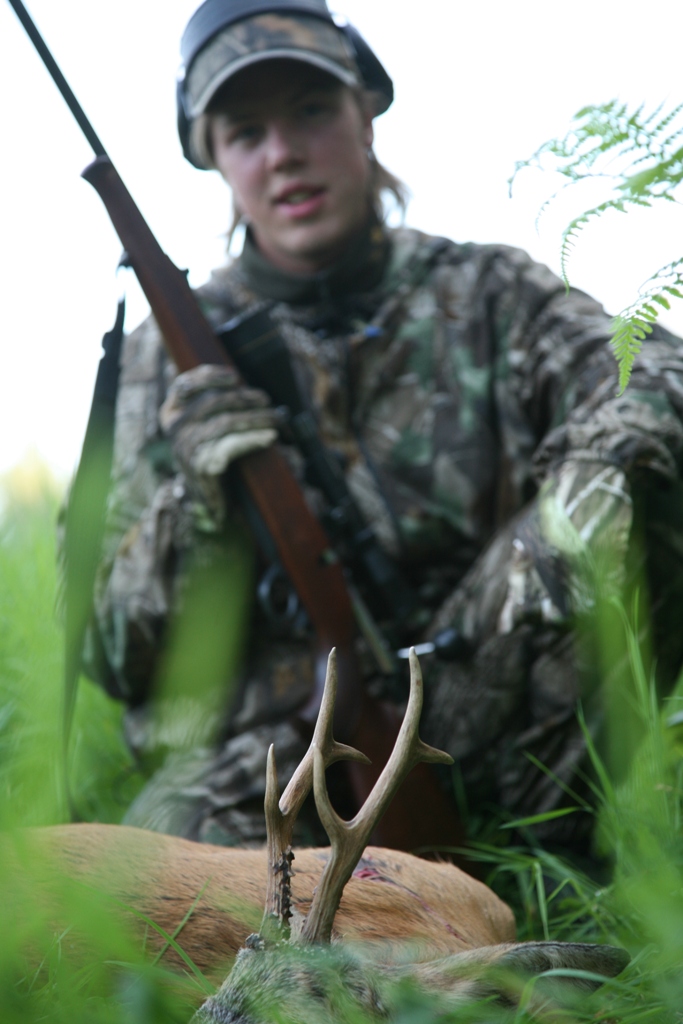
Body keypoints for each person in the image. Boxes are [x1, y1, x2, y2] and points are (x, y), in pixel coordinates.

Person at [83, 0, 683, 856]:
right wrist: (199, 507)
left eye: (310, 110)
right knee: (150, 895)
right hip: (266, 768)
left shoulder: (489, 292)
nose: (282, 153)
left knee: (641, 481)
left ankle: (546, 858)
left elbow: (651, 371)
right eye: (246, 132)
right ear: (212, 156)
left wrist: (602, 469)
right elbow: (106, 652)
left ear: (366, 110)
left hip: (485, 711)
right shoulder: (157, 362)